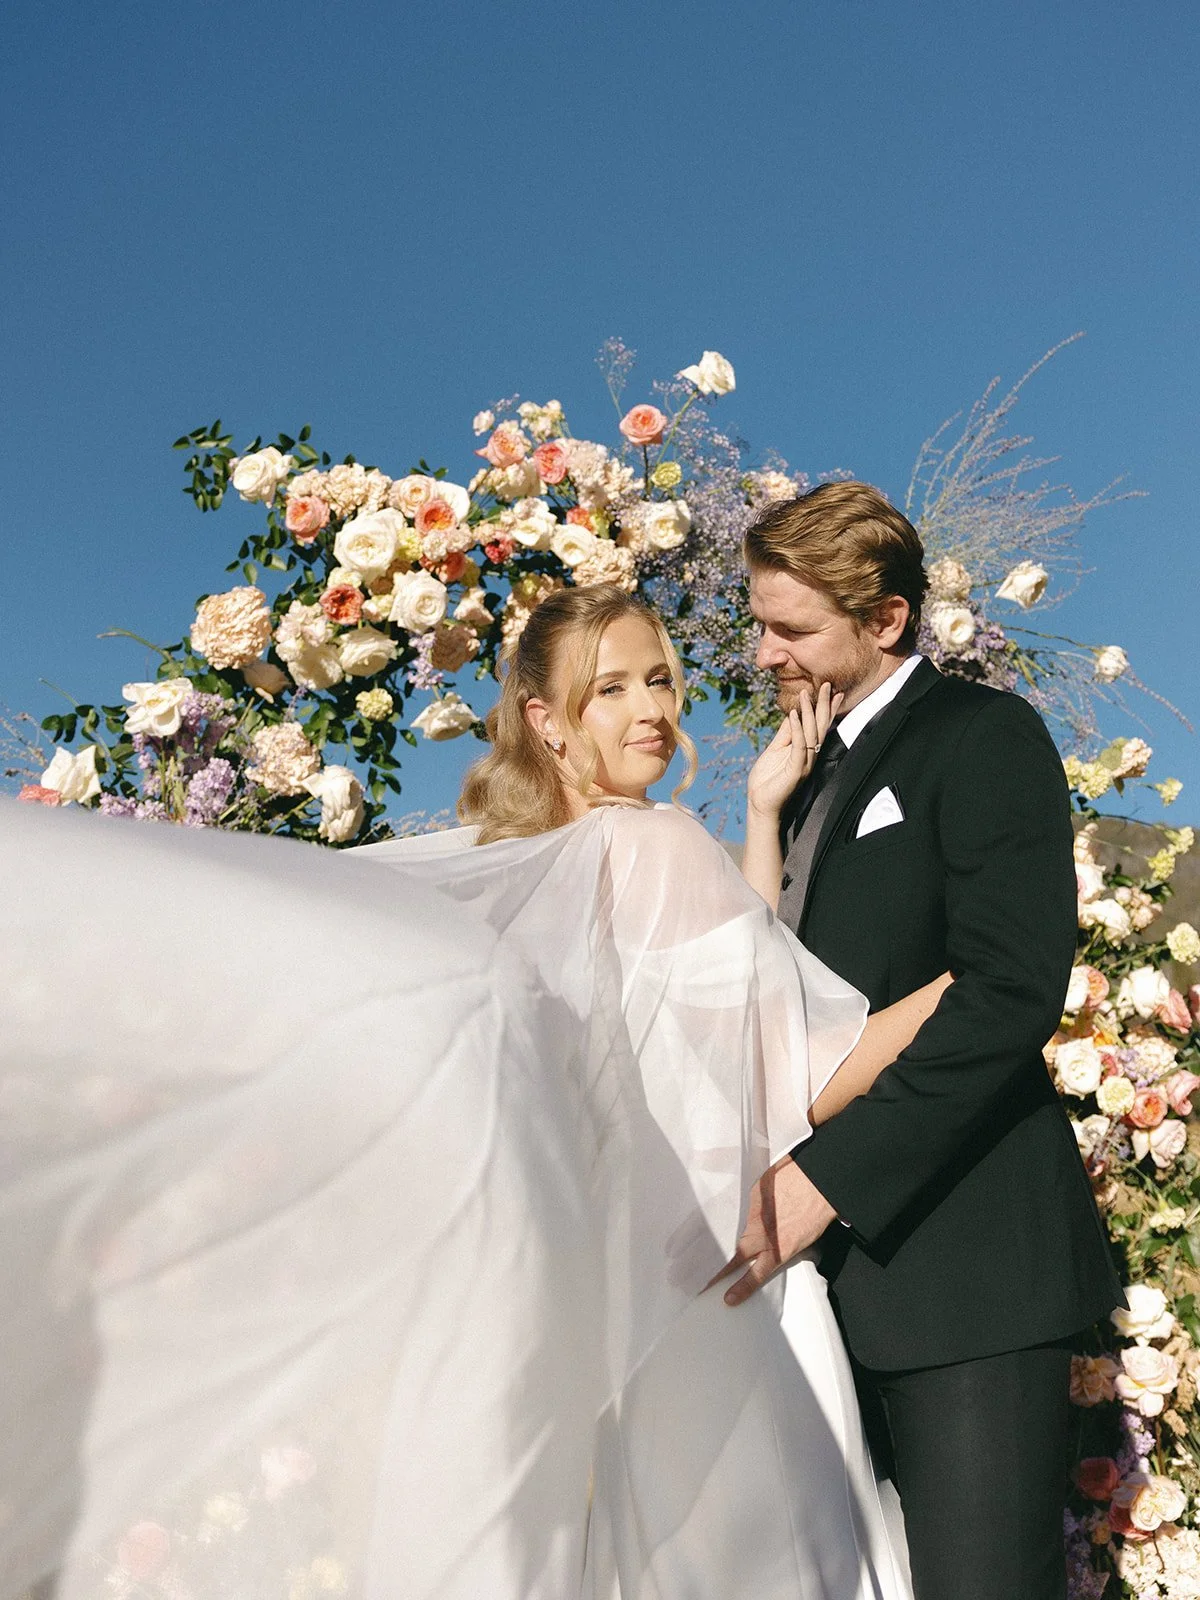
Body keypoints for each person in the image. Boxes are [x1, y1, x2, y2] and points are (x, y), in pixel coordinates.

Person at [0, 583, 939, 1600]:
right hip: (713, 1296)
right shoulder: (658, 843)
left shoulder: (525, 878)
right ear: (548, 720)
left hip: (589, 1307)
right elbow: (795, 1071)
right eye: (610, 688)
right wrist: (980, 989)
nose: (652, 710)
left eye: (661, 680)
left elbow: (731, 1004)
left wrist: (760, 815)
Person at [720, 482, 1123, 1600]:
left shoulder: (983, 735)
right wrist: (765, 809)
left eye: (790, 628)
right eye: (761, 622)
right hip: (832, 1305)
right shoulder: (802, 787)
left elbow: (1007, 990)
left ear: (887, 619)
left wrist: (819, 1183)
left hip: (969, 1283)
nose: (764, 655)